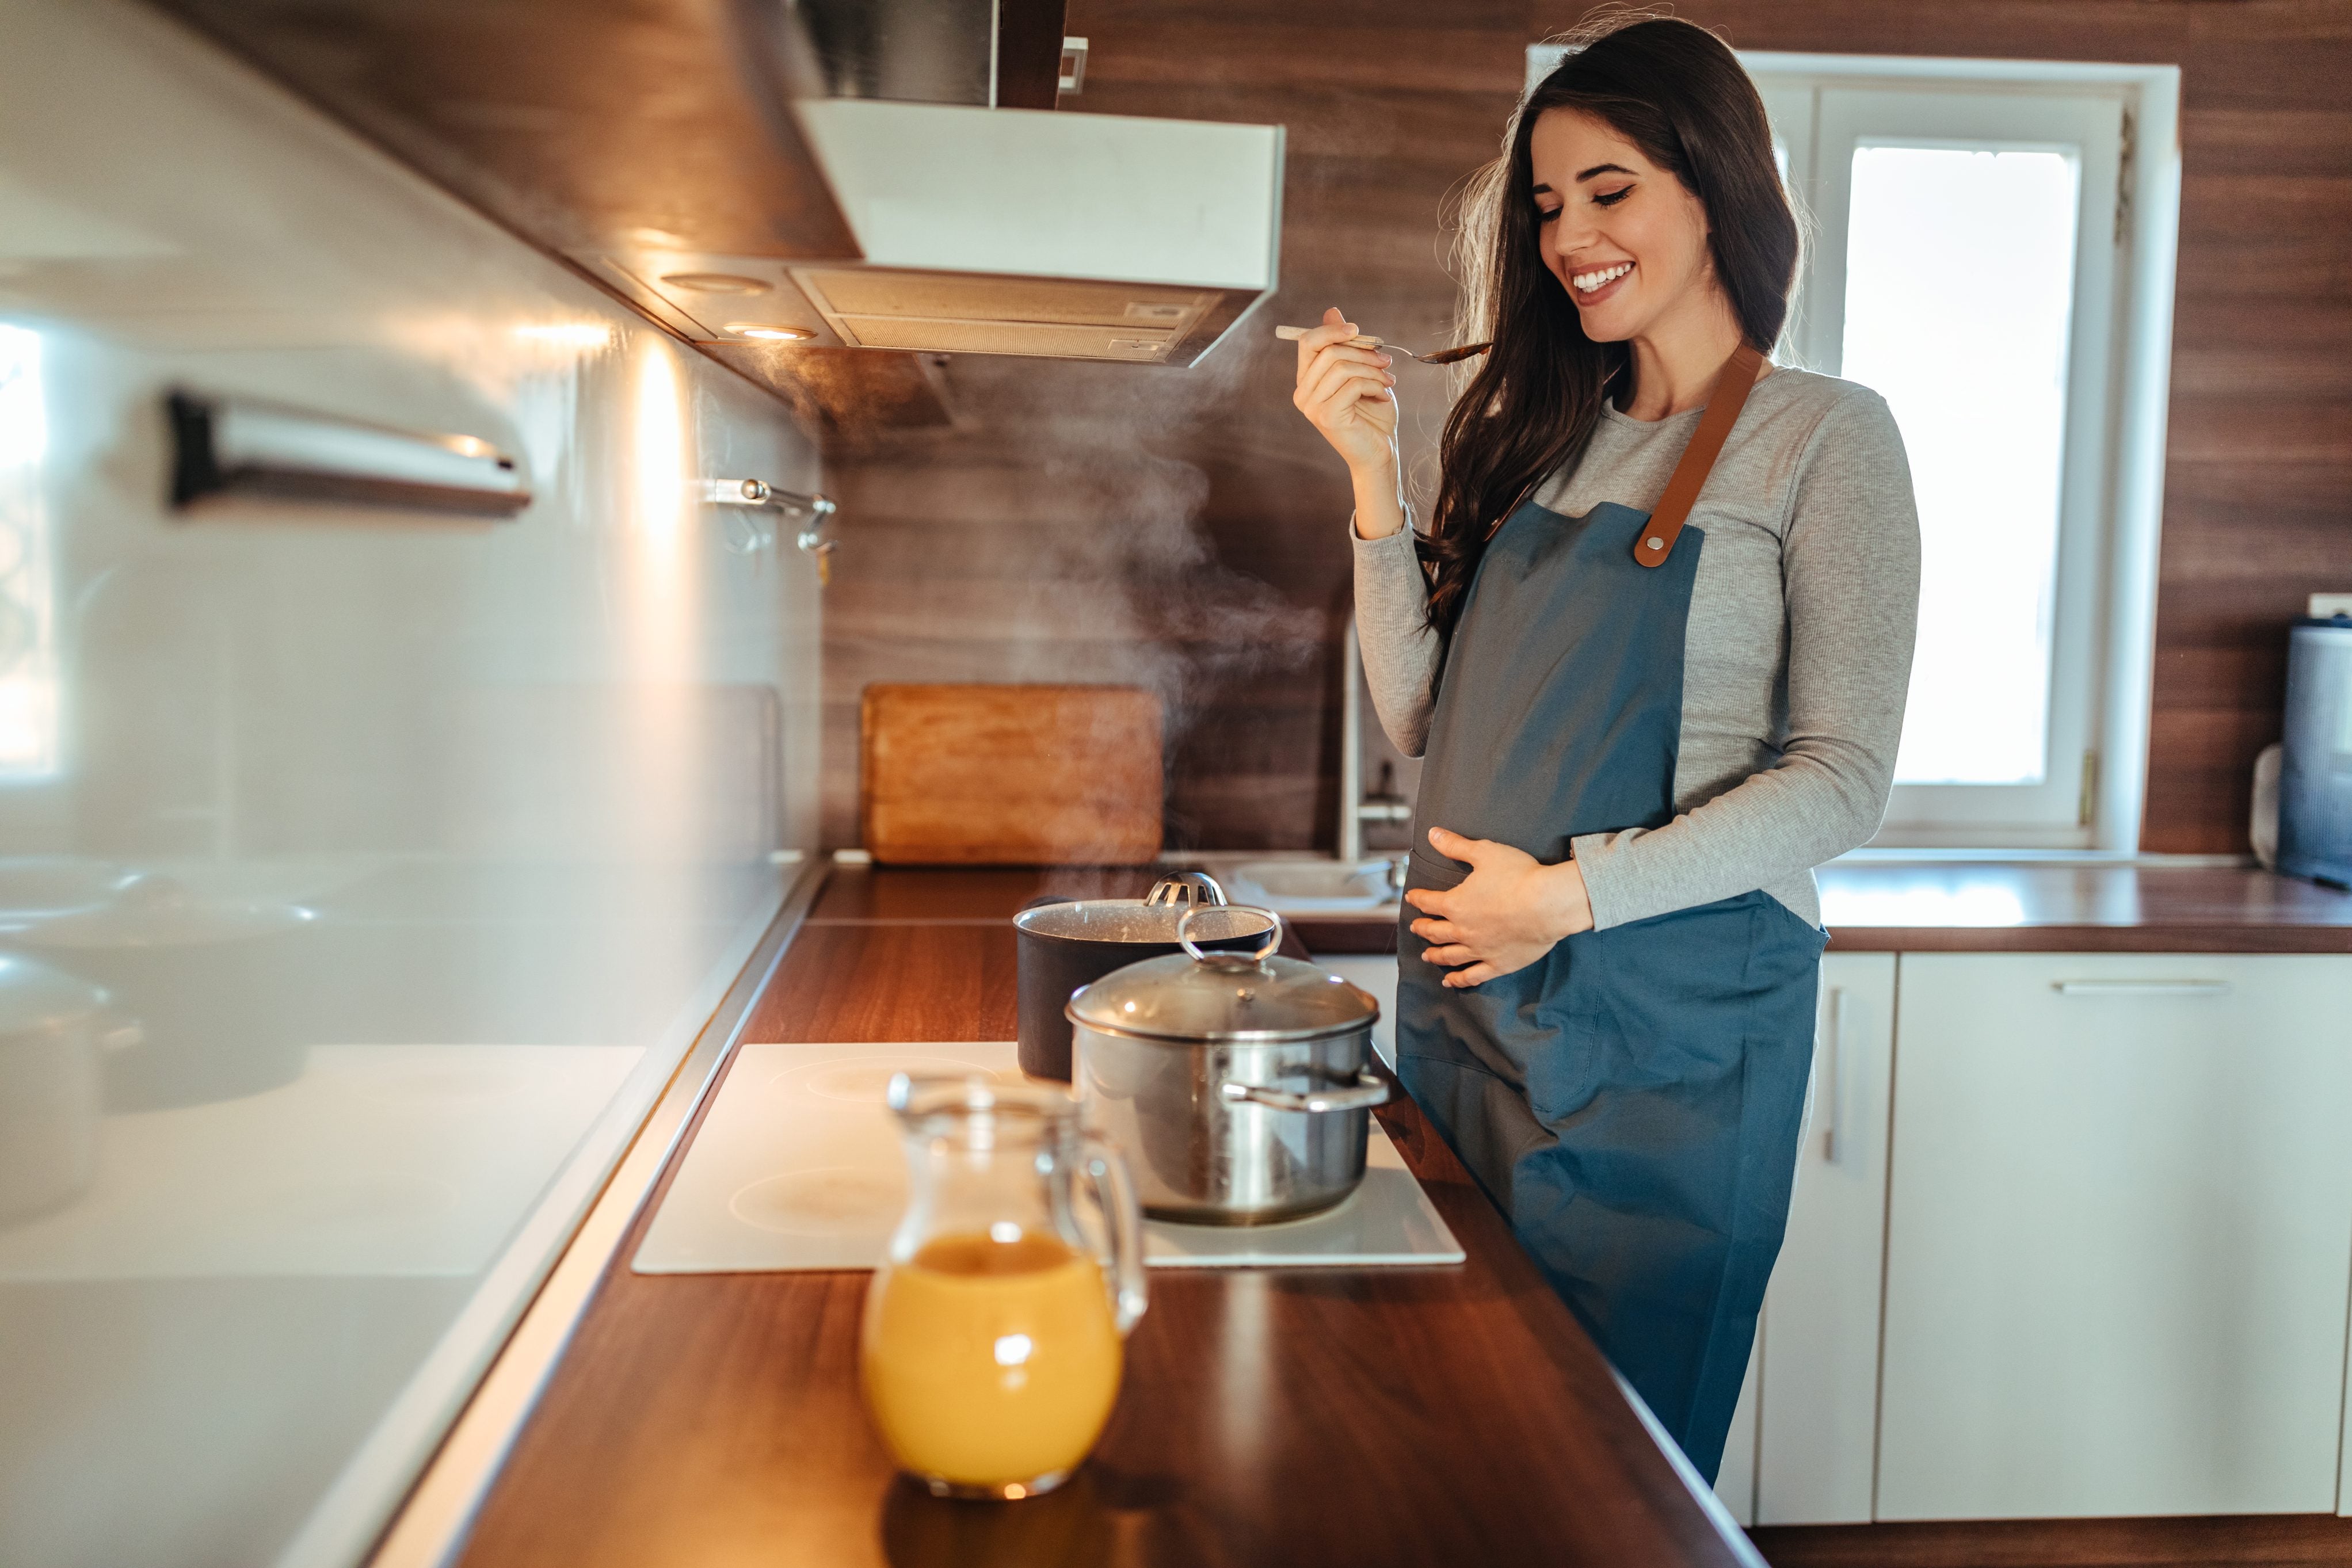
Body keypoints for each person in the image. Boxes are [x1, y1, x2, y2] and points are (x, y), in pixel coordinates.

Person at [1290, 13, 1921, 1481]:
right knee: (1457, 1459)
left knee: (1605, 1481)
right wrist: (1375, 486)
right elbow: (1426, 724)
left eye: (1609, 188)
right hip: (1474, 1021)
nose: (1569, 232)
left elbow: (1841, 779)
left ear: (1713, 185)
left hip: (1667, 1051)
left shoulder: (1828, 441)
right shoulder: (1540, 437)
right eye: (1547, 202)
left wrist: (1563, 898)